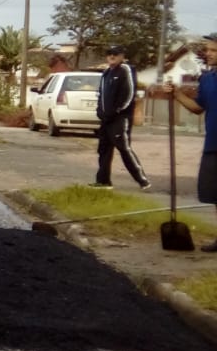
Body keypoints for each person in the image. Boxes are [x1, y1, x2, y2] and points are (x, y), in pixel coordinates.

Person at [162, 33, 217, 251]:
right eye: (208, 50)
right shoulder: (207, 78)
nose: (208, 54)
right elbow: (197, 108)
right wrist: (175, 93)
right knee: (214, 194)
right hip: (213, 143)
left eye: (213, 51)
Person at [93, 44, 150, 190]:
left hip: (120, 118)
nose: (112, 56)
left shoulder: (126, 70)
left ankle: (142, 180)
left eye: (115, 54)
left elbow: (129, 94)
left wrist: (117, 111)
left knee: (123, 148)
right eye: (109, 53)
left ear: (122, 56)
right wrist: (100, 110)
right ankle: (103, 181)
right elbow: (101, 95)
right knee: (104, 149)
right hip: (106, 120)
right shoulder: (106, 73)